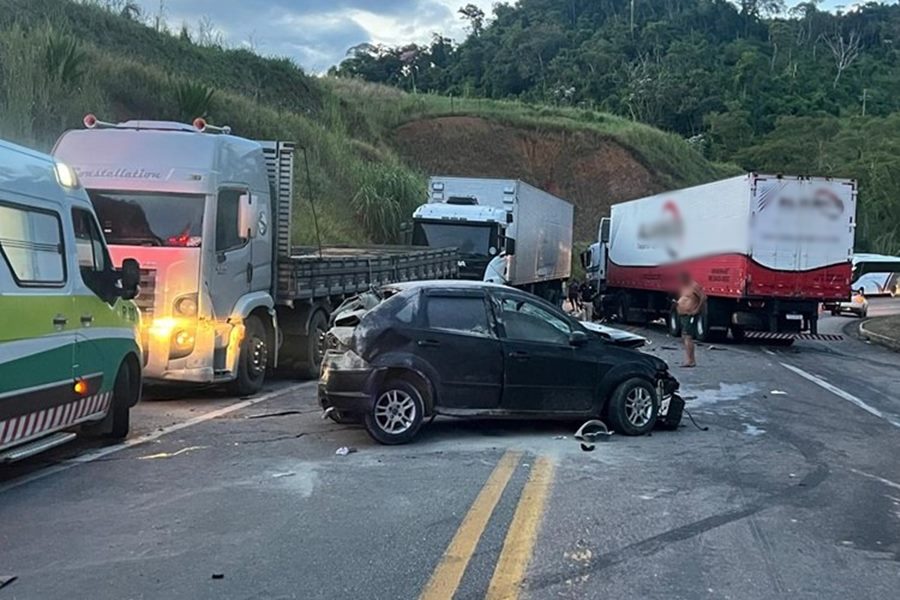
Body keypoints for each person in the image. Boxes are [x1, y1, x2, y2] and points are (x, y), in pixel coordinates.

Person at [676, 272, 706, 368]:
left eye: (681, 279)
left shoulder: (694, 286)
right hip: (683, 314)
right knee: (684, 336)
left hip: (690, 314)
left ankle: (691, 361)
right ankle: (689, 358)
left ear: (686, 278)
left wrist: (697, 309)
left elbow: (703, 297)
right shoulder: (683, 286)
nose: (680, 281)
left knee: (688, 336)